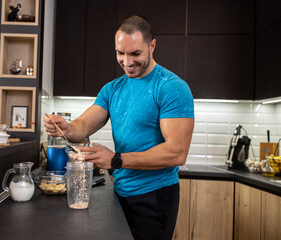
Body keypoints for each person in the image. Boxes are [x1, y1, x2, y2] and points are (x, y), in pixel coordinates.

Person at [44, 15, 194, 240]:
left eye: (135, 53)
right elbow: (83, 125)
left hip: (154, 196)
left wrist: (116, 160)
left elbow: (177, 152)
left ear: (152, 46)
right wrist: (65, 127)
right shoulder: (112, 89)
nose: (126, 61)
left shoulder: (171, 88)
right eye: (119, 53)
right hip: (121, 193)